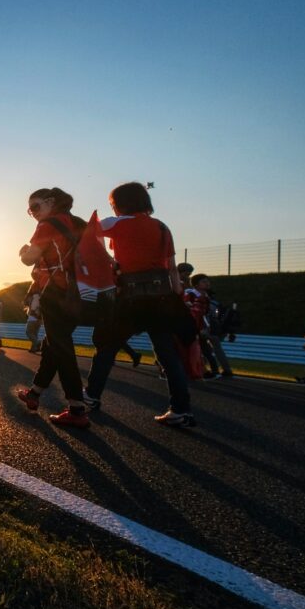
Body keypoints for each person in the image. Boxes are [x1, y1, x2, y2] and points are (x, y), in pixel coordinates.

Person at [82, 182, 196, 426]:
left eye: (112, 204)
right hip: (162, 297)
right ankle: (181, 409)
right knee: (166, 353)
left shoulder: (117, 222)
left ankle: (91, 396)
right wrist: (177, 298)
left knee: (107, 348)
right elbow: (172, 268)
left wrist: (107, 265)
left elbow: (87, 237)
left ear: (119, 203)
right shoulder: (162, 227)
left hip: (129, 297)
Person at [16, 187, 89, 428]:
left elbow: (29, 258)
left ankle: (77, 408)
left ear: (50, 202)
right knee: (54, 345)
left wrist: (24, 252)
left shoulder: (47, 225)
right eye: (29, 210)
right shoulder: (77, 222)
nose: (33, 213)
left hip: (55, 292)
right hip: (80, 292)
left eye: (35, 206)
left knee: (62, 348)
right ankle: (34, 394)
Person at [191, 274, 233, 377]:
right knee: (206, 348)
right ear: (196, 285)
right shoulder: (192, 295)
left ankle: (216, 370)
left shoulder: (208, 297)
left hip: (206, 327)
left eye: (208, 281)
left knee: (205, 348)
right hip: (200, 327)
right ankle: (221, 370)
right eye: (204, 281)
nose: (208, 283)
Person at [23, 272, 43, 353]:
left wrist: (33, 312)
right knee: (34, 333)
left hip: (33, 316)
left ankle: (38, 343)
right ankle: (33, 348)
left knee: (28, 332)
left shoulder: (35, 296)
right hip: (40, 318)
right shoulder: (42, 292)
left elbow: (33, 306)